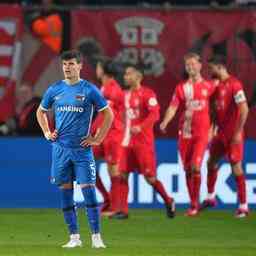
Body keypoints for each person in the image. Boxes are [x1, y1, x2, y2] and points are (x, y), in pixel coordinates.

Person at [36, 50, 113, 248]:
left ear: (80, 66)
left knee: (88, 192)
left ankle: (96, 237)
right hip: (60, 149)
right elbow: (40, 111)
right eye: (65, 65)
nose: (67, 68)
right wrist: (47, 132)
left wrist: (97, 139)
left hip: (81, 151)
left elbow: (108, 115)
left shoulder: (89, 90)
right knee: (65, 193)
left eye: (71, 64)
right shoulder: (55, 89)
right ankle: (74, 238)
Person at [111, 64, 175, 219]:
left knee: (149, 178)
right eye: (125, 74)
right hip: (127, 142)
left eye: (128, 74)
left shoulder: (148, 94)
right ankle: (123, 210)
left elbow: (155, 115)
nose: (125, 77)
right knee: (122, 174)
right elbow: (112, 106)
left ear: (138, 76)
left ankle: (168, 200)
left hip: (143, 143)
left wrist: (141, 127)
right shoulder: (123, 94)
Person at [160, 52, 215, 217]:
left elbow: (218, 109)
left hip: (202, 133)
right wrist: (165, 121)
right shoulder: (181, 87)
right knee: (187, 169)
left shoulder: (210, 86)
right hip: (185, 133)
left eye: (193, 64)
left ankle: (194, 205)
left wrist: (215, 128)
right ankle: (193, 202)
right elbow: (173, 107)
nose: (191, 67)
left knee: (196, 167)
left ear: (200, 65)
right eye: (187, 65)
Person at [201, 55, 249, 218]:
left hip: (233, 134)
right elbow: (215, 110)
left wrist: (237, 132)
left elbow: (244, 110)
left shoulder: (235, 84)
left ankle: (243, 206)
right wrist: (212, 128)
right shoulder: (217, 86)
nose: (209, 71)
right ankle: (210, 197)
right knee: (210, 162)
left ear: (219, 66)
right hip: (220, 134)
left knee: (236, 167)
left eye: (211, 68)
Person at [92, 58, 124, 215]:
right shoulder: (104, 88)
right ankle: (107, 199)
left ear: (104, 70)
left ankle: (115, 206)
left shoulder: (114, 89)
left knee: (114, 170)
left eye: (98, 67)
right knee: (86, 163)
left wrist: (93, 130)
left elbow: (107, 115)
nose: (96, 70)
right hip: (102, 134)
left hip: (113, 134)